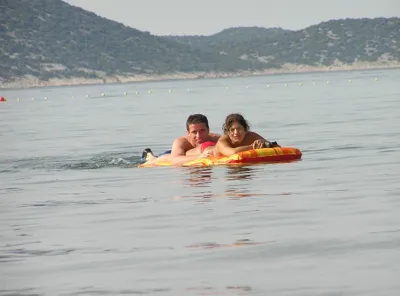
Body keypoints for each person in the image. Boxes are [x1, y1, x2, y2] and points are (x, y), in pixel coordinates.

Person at [142, 114, 220, 165]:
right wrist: (199, 156)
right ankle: (149, 155)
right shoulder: (182, 142)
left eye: (202, 131)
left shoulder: (216, 139)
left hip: (191, 153)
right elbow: (175, 160)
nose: (198, 136)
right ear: (188, 133)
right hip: (175, 152)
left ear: (208, 130)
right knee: (156, 159)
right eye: (194, 132)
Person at [215, 113, 279, 157]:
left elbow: (278, 147)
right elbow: (233, 153)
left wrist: (264, 143)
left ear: (245, 130)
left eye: (239, 128)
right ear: (227, 132)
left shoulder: (251, 136)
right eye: (232, 130)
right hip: (209, 151)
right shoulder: (222, 141)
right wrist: (253, 146)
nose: (236, 132)